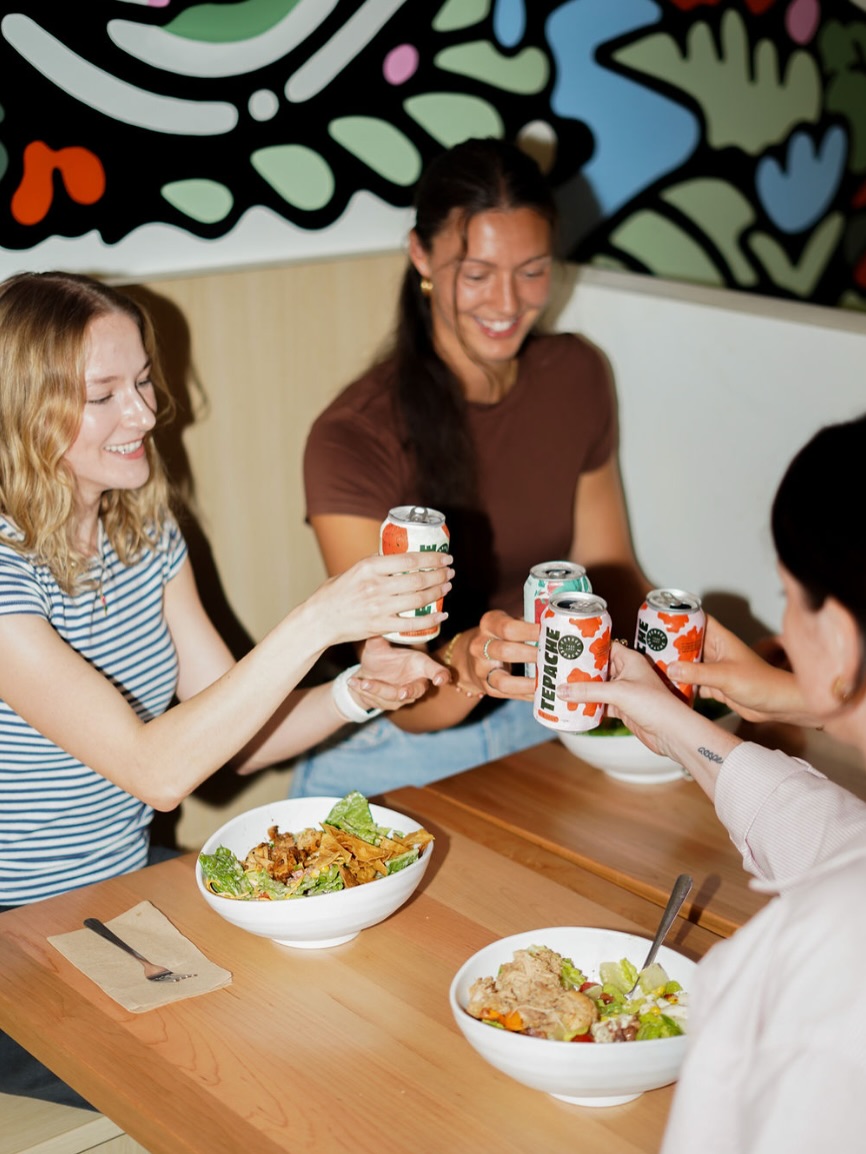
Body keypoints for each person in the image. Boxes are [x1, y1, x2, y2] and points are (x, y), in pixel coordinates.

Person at [0, 271, 453, 1104]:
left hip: (120, 892)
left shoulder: (143, 528)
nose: (144, 414)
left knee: (352, 1007)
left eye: (141, 382)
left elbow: (230, 741)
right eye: (103, 395)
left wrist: (359, 689)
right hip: (13, 937)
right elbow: (157, 770)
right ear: (23, 413)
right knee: (243, 1075)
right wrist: (320, 619)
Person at [294, 136, 651, 797]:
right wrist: (473, 667)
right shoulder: (353, 437)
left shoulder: (576, 374)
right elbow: (405, 699)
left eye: (533, 270)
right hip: (400, 752)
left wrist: (682, 668)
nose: (508, 303)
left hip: (549, 718)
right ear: (422, 256)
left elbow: (612, 572)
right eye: (478, 273)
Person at [560, 413, 866, 1153]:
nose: (782, 628)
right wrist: (679, 727)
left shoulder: (827, 965)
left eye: (790, 596)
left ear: (844, 640)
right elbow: (839, 844)